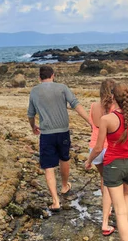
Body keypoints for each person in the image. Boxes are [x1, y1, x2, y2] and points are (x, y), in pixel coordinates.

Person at [85, 82, 128, 241]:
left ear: (113, 97)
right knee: (126, 199)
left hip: (114, 166)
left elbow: (99, 147)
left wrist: (88, 160)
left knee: (119, 210)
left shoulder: (107, 119)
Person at [28, 65, 90, 212]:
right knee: (64, 158)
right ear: (53, 75)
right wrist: (90, 121)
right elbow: (76, 104)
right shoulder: (62, 87)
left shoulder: (34, 91)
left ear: (39, 78)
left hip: (46, 134)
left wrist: (33, 127)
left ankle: (55, 201)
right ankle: (64, 186)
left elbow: (31, 114)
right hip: (63, 132)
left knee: (48, 167)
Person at [88, 79, 116, 236]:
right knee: (108, 183)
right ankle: (105, 223)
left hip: (95, 148)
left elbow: (93, 126)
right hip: (109, 148)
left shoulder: (93, 106)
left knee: (104, 179)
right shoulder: (115, 109)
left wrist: (89, 159)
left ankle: (109, 207)